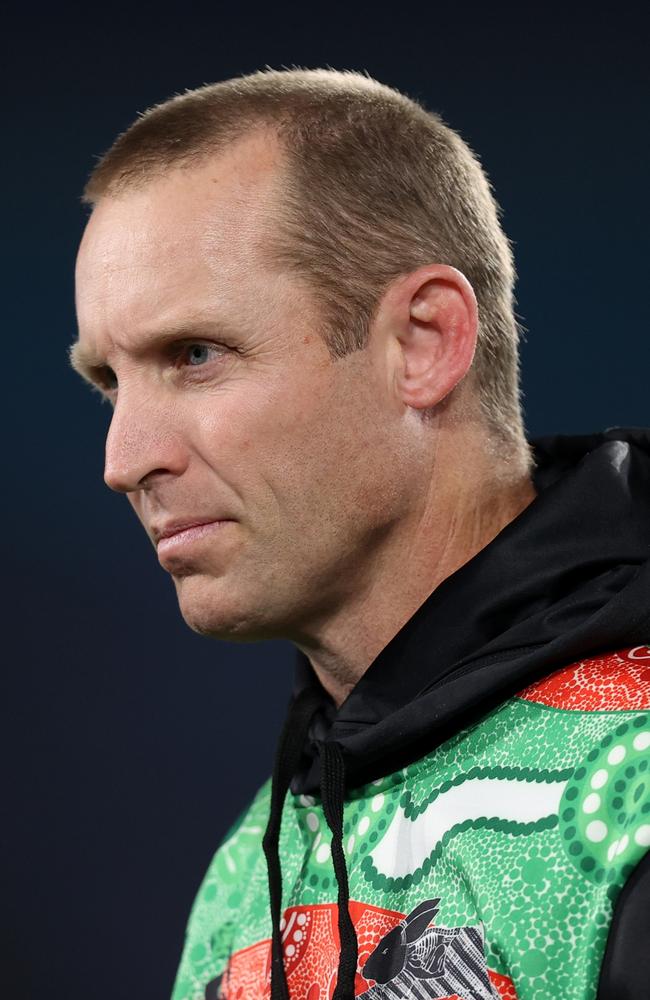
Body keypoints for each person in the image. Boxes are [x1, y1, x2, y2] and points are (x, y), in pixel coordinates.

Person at [70, 68, 650, 1000]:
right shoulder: (246, 880)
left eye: (194, 355)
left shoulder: (636, 798)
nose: (123, 457)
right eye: (109, 380)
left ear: (422, 343)